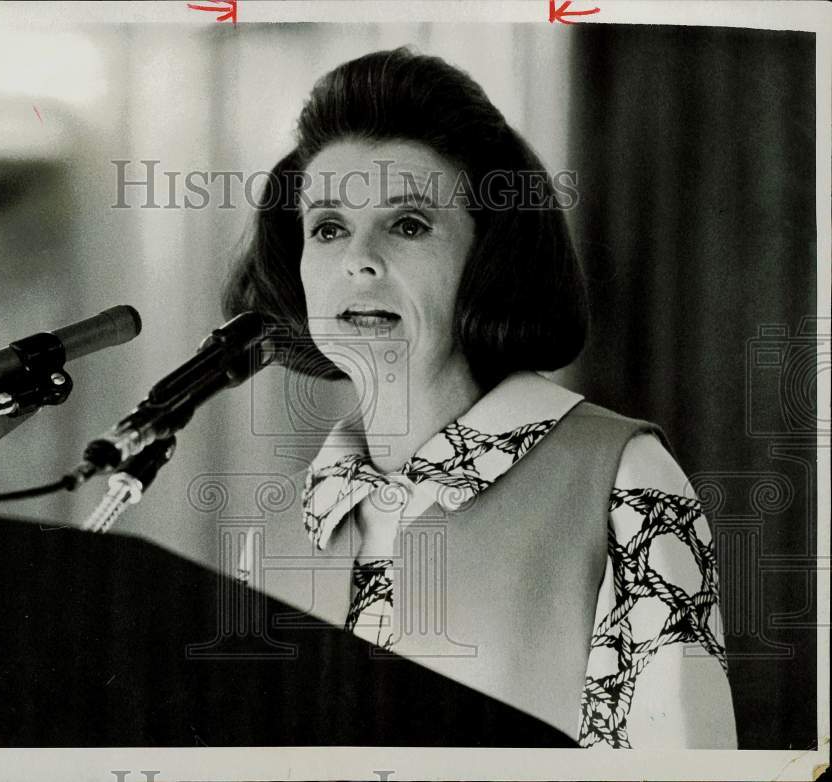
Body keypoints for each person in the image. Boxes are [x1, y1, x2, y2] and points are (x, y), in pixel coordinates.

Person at [222, 47, 737, 749]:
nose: (358, 259)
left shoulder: (623, 481)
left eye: (408, 224)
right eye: (329, 227)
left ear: (488, 256)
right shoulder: (282, 526)